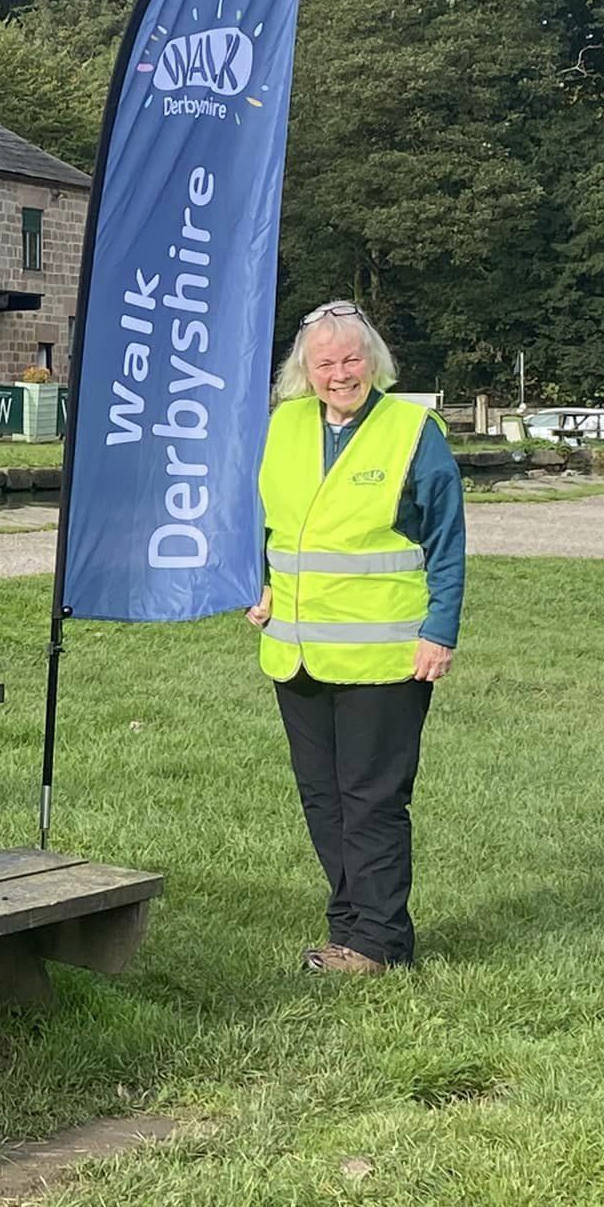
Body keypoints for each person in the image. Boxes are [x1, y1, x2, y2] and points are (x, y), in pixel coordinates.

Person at [246, 301, 465, 976]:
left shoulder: (411, 431)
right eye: (325, 363)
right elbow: (252, 519)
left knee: (372, 801)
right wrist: (253, 581)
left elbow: (447, 540)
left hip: (385, 657)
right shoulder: (281, 426)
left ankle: (380, 943)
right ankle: (348, 928)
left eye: (351, 359)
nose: (340, 374)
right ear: (303, 372)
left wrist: (440, 630)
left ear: (374, 361)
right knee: (324, 798)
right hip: (299, 652)